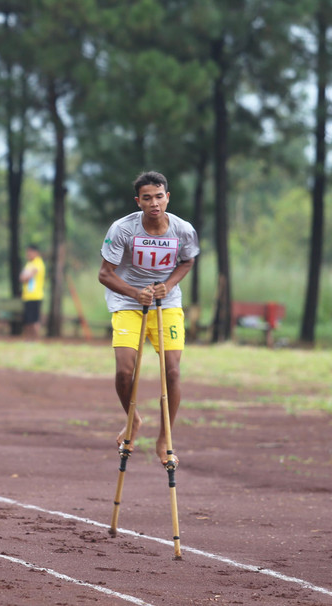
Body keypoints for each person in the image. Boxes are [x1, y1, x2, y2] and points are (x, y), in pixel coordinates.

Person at [97, 171, 199, 466]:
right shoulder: (123, 229)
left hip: (166, 304)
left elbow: (188, 260)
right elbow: (105, 274)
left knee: (173, 371)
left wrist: (169, 285)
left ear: (167, 197)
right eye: (147, 198)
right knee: (124, 371)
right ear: (138, 202)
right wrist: (134, 292)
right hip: (128, 303)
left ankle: (165, 436)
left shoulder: (183, 229)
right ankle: (133, 420)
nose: (154, 203)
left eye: (159, 196)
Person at [19, 244, 45, 339]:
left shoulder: (38, 263)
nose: (28, 254)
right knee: (27, 320)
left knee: (34, 320)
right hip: (27, 296)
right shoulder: (29, 264)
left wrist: (26, 276)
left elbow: (26, 276)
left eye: (30, 252)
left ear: (36, 252)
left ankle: (36, 339)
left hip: (36, 296)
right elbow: (22, 278)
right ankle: (28, 338)